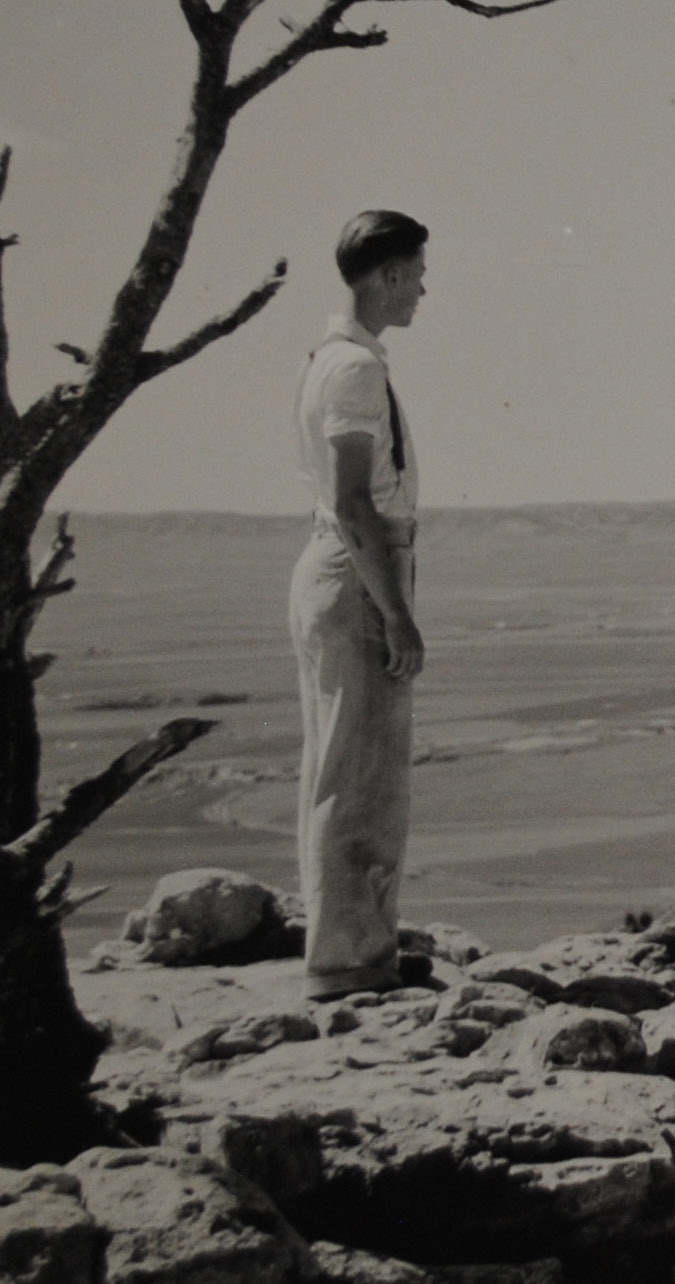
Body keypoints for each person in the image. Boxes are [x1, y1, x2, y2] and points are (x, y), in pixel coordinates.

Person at [289, 211, 429, 999]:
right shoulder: (353, 370)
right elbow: (352, 501)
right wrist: (398, 614)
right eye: (414, 274)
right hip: (360, 569)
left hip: (346, 567)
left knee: (346, 764)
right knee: (361, 773)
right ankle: (347, 963)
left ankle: (355, 948)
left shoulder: (336, 358)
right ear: (384, 277)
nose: (422, 290)